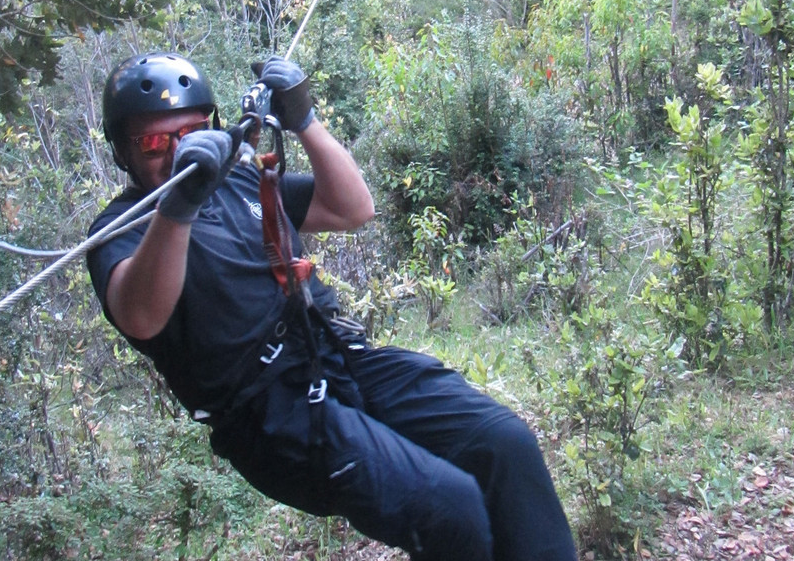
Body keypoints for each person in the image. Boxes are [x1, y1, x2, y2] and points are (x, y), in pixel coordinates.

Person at [87, 51, 578, 561]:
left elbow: (352, 208)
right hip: (271, 412)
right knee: (447, 508)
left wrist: (305, 121)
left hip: (339, 354)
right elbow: (140, 314)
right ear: (124, 151)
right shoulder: (119, 230)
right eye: (154, 142)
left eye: (191, 132)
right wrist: (179, 204)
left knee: (503, 443)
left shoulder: (237, 180)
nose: (178, 150)